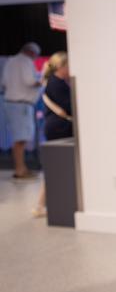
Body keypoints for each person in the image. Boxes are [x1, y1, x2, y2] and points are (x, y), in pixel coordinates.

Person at [33, 51, 73, 217]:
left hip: (56, 127)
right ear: (61, 67)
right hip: (59, 128)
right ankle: (41, 204)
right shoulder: (57, 84)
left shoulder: (54, 82)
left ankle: (42, 204)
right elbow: (69, 106)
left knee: (55, 167)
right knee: (55, 168)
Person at [1, 42, 42, 179]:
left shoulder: (11, 61)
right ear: (32, 53)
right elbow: (29, 81)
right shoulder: (25, 61)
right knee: (21, 139)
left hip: (12, 104)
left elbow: (4, 83)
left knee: (19, 138)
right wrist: (42, 80)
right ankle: (20, 170)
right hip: (21, 105)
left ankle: (22, 168)